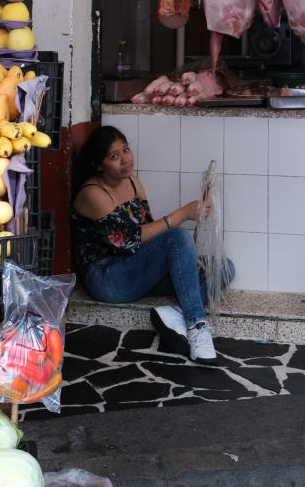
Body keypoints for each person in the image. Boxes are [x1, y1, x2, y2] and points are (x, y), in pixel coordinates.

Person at [71, 125, 234, 365]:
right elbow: (130, 241)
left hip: (136, 270)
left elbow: (149, 234)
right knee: (178, 236)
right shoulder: (92, 194)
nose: (125, 159)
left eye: (126, 150)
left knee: (222, 267)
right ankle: (197, 325)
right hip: (108, 278)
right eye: (114, 156)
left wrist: (186, 260)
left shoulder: (134, 183)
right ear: (99, 165)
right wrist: (183, 214)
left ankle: (173, 313)